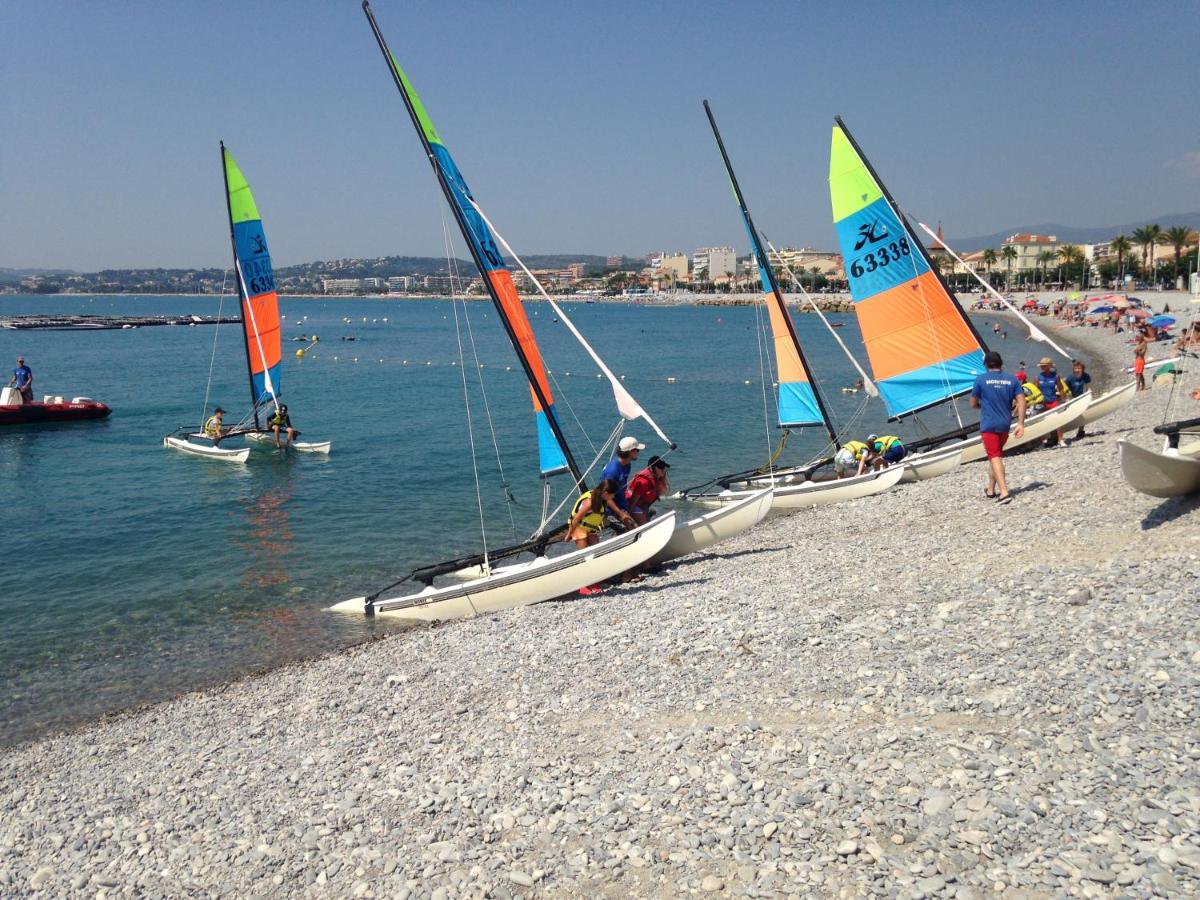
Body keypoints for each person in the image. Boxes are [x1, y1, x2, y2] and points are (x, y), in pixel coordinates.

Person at [970, 351, 1025, 505]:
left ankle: (1004, 492)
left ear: (986, 364)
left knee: (995, 456)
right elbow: (1022, 401)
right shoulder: (1012, 379)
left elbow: (973, 404)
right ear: (1001, 363)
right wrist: (1021, 423)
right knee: (995, 455)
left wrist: (983, 406)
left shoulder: (981, 379)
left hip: (989, 425)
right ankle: (990, 489)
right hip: (1004, 425)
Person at [565, 478, 619, 596]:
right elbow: (576, 519)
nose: (613, 497)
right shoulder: (589, 502)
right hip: (578, 527)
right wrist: (569, 534)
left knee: (595, 554)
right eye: (613, 495)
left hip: (590, 529)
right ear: (606, 493)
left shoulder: (601, 499)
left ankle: (593, 581)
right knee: (584, 557)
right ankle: (582, 585)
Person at [599, 436, 643, 530]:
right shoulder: (612, 471)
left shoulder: (627, 464)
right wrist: (620, 513)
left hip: (621, 503)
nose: (638, 452)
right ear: (630, 452)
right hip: (609, 508)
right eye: (637, 450)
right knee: (630, 527)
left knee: (639, 522)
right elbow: (605, 496)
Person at [627, 455, 670, 525]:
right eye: (660, 467)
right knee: (644, 525)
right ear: (652, 468)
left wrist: (663, 478)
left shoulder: (656, 478)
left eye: (663, 467)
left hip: (643, 506)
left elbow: (664, 491)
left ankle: (647, 515)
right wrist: (627, 515)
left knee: (646, 521)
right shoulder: (643, 481)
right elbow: (633, 500)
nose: (663, 470)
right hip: (631, 505)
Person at [1035, 357, 1065, 447]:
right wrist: (1036, 403)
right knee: (1041, 422)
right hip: (1042, 403)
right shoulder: (1038, 377)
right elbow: (1035, 390)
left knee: (1058, 420)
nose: (1042, 367)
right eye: (1041, 366)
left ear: (1049, 366)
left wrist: (1062, 400)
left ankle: (1061, 440)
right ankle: (1041, 442)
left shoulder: (1056, 376)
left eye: (1044, 365)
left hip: (1053, 401)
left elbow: (1061, 388)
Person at [1065, 360, 1093, 440]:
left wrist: (1089, 396)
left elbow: (1088, 387)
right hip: (1072, 398)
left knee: (1083, 414)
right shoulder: (1070, 378)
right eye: (1075, 368)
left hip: (1082, 398)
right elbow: (1066, 390)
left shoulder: (1086, 376)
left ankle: (1080, 431)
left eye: (1079, 368)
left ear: (1082, 369)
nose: (1077, 370)